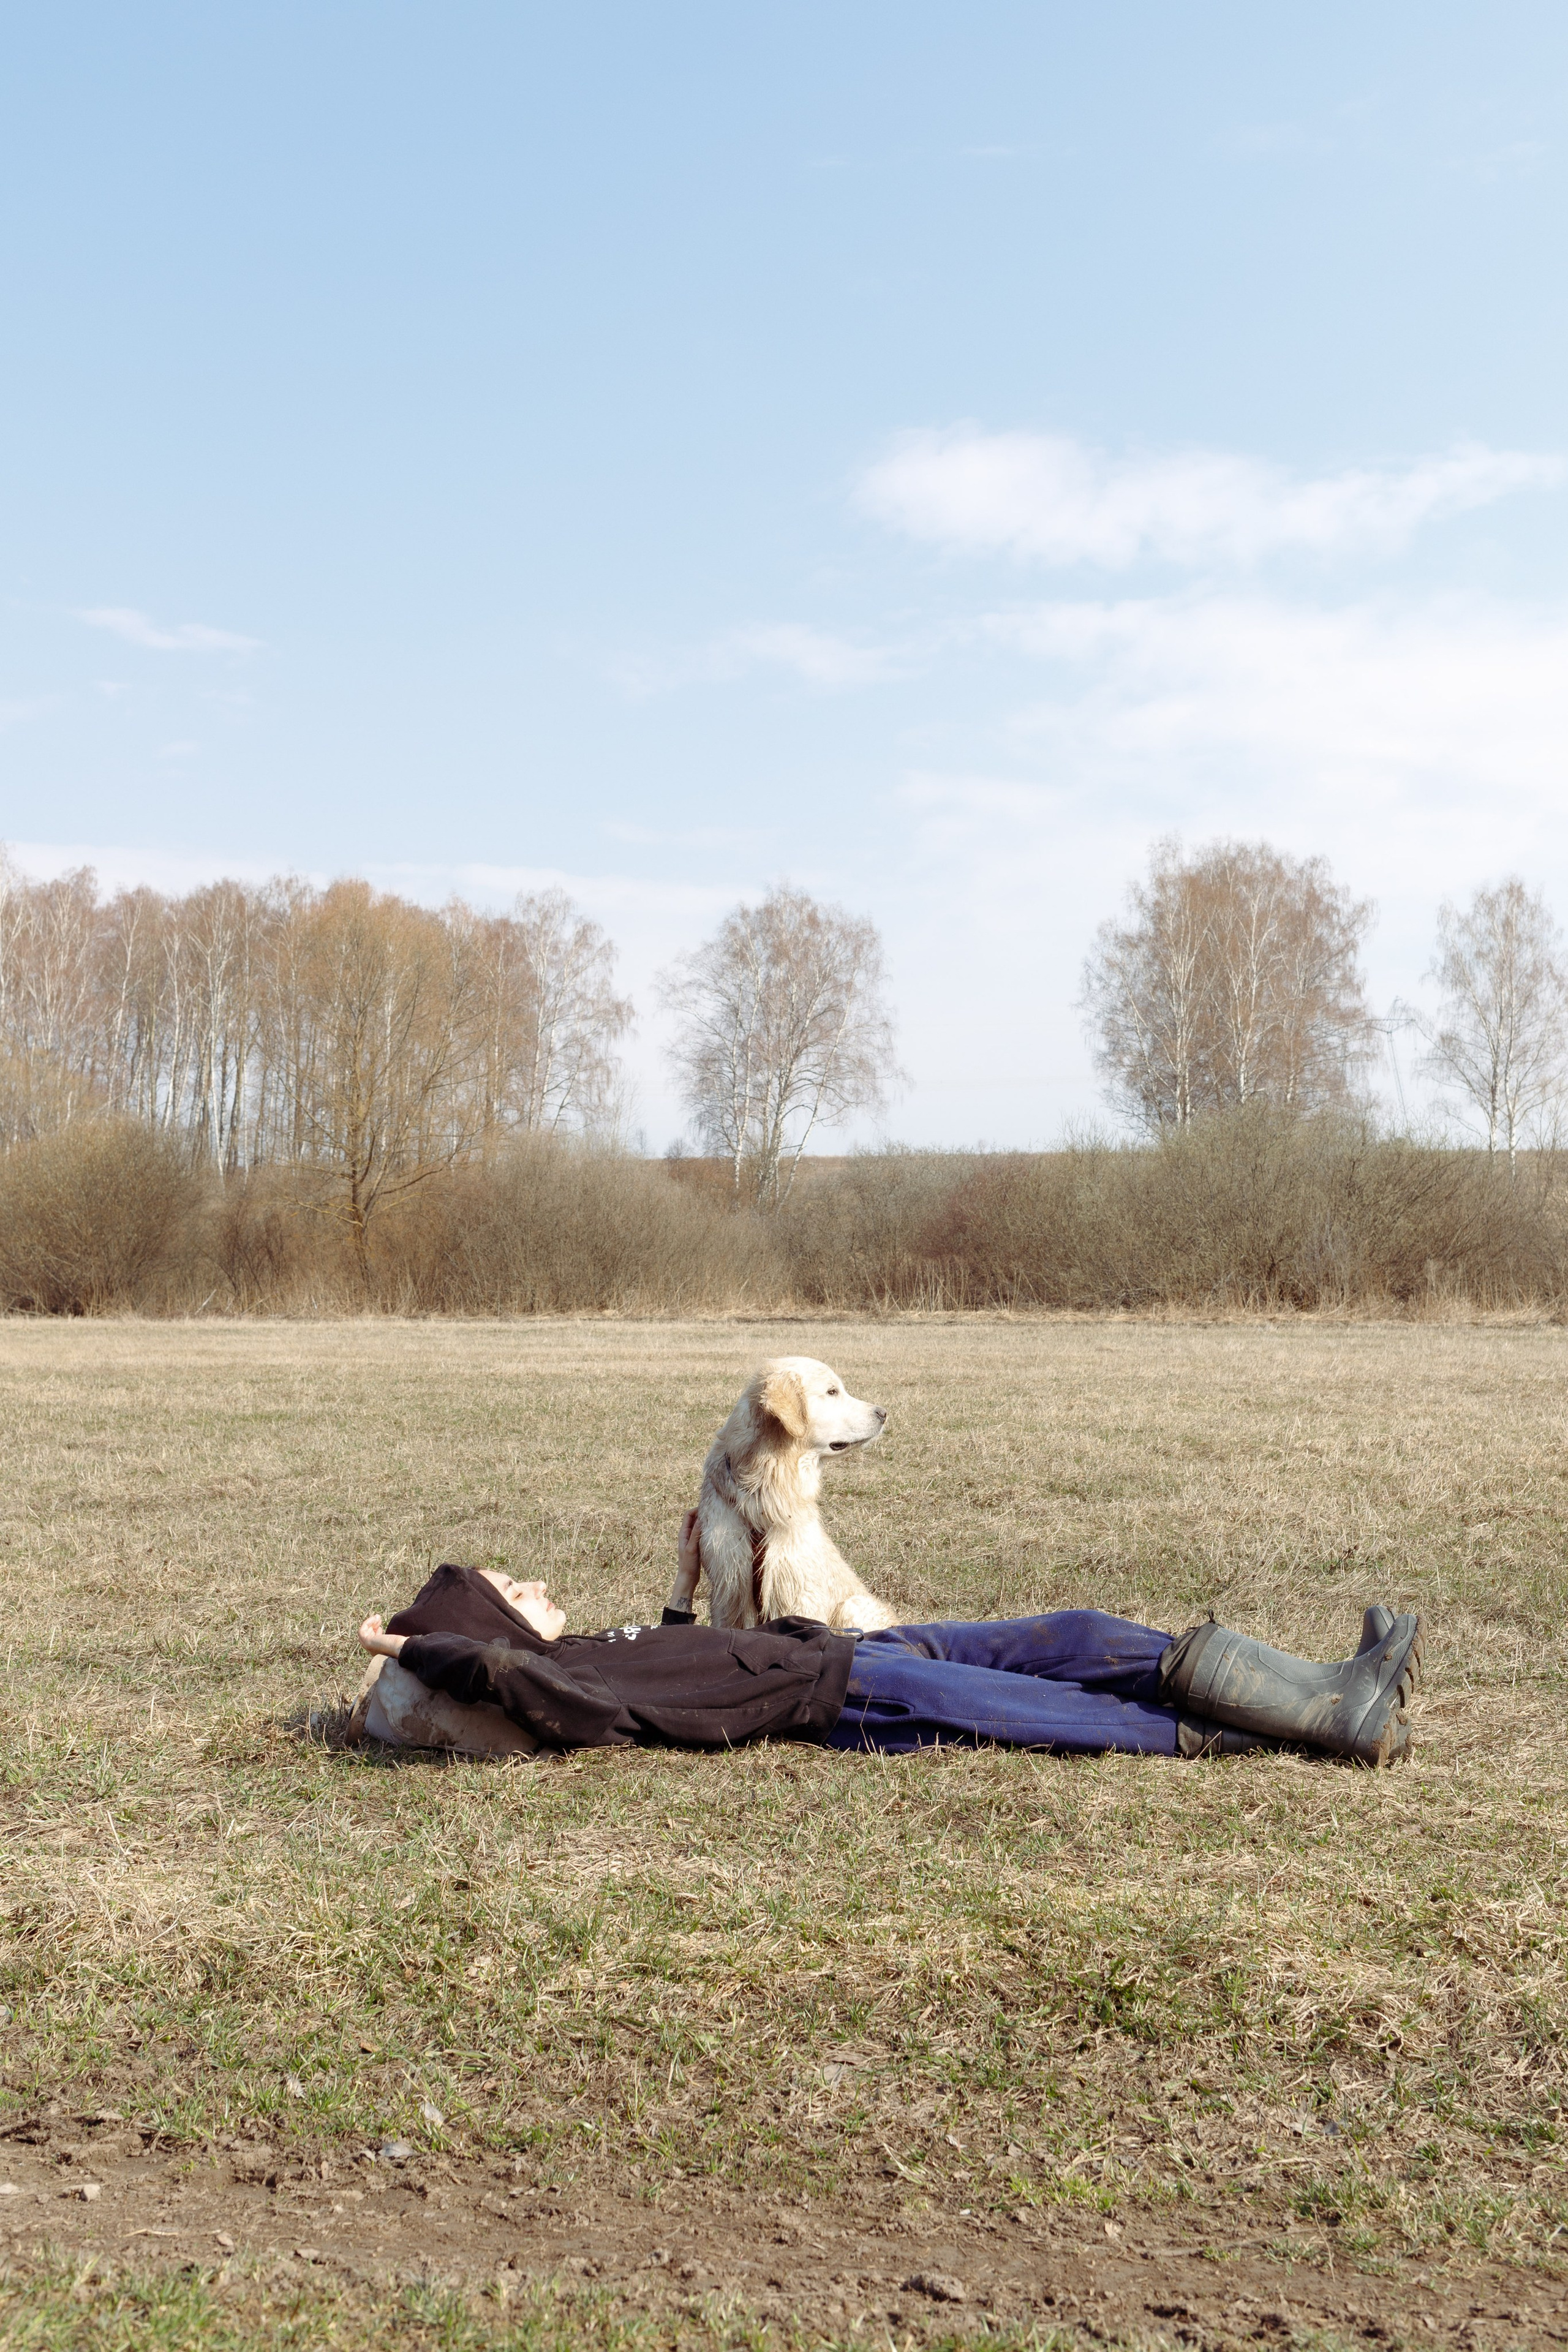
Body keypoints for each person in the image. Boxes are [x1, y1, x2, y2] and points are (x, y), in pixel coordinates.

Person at [356, 1511, 1424, 1768]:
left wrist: (682, 1594)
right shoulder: (548, 1682)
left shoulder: (584, 1646)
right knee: (1076, 1717)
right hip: (849, 1698)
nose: (533, 1582)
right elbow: (512, 1677)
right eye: (511, 1587)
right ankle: (1329, 1723)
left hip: (854, 1648)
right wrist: (406, 1648)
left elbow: (662, 1659)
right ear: (485, 1632)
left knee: (1082, 1634)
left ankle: (1329, 1682)